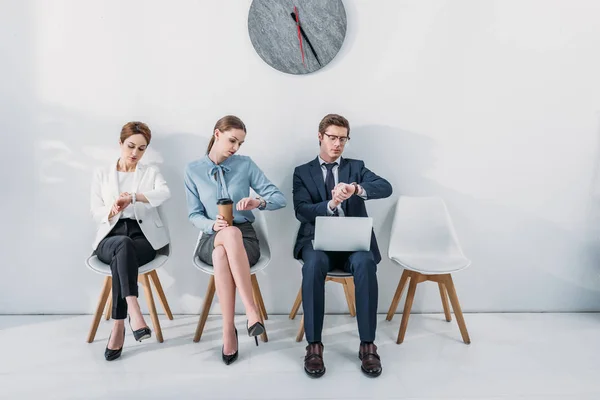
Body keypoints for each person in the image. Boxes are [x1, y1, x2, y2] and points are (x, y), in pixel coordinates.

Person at [292, 114, 393, 377]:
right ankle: (314, 346)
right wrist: (331, 204)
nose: (338, 144)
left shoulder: (356, 167)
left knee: (366, 262)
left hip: (353, 244)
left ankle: (367, 345)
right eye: (332, 137)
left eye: (343, 138)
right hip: (317, 242)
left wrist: (356, 189)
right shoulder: (302, 172)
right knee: (313, 264)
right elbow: (301, 211)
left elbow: (386, 187)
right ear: (320, 136)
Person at [184, 115, 286, 365]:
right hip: (211, 237)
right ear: (217, 134)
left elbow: (279, 198)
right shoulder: (193, 170)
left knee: (226, 246)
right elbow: (193, 214)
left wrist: (258, 202)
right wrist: (212, 224)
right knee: (225, 236)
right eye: (232, 140)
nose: (235, 148)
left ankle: (228, 330)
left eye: (240, 143)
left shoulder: (246, 165)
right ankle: (251, 312)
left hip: (245, 239)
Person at [90, 121, 171, 361]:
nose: (135, 153)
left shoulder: (150, 172)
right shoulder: (102, 174)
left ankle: (118, 327)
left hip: (142, 237)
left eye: (142, 149)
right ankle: (134, 310)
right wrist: (113, 210)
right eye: (131, 146)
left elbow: (164, 193)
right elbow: (95, 212)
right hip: (110, 236)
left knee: (123, 255)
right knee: (122, 246)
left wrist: (134, 198)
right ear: (120, 143)